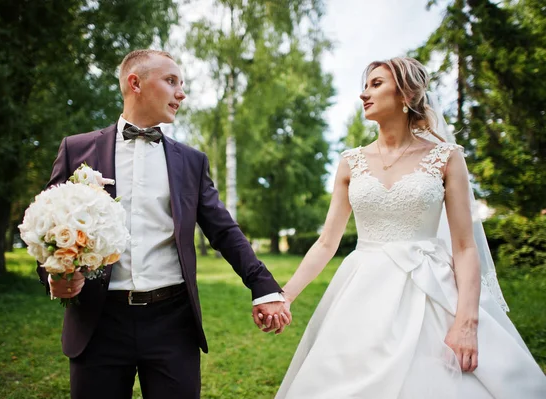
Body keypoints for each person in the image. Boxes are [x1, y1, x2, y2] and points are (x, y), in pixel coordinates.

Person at [275, 57, 546, 398]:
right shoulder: (350, 162)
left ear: (405, 95)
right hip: (362, 290)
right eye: (364, 85)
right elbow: (327, 243)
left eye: (376, 84)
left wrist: (466, 323)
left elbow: (464, 247)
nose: (363, 94)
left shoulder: (447, 158)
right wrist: (285, 296)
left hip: (430, 289)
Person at [36, 49, 291, 399]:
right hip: (98, 321)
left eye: (182, 84)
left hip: (173, 321)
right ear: (135, 83)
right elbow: (45, 224)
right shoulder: (76, 149)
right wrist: (53, 275)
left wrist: (263, 286)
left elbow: (223, 229)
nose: (181, 93)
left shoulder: (191, 162)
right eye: (171, 81)